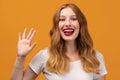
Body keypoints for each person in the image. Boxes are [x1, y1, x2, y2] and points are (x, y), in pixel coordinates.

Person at [10, 3, 107, 80]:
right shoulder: (45, 56)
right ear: (57, 26)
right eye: (62, 19)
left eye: (73, 19)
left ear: (81, 25)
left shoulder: (96, 58)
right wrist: (21, 57)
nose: (67, 23)